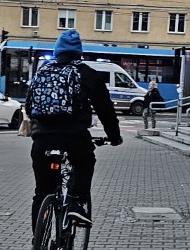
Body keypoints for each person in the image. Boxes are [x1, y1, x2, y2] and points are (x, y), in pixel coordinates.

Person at [25, 30, 122, 235]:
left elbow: (29, 107)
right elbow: (105, 110)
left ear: (57, 50)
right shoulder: (86, 73)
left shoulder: (43, 71)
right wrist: (114, 137)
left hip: (42, 140)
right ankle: (76, 203)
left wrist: (41, 127)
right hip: (74, 137)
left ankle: (38, 239)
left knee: (42, 192)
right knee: (85, 162)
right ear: (79, 52)